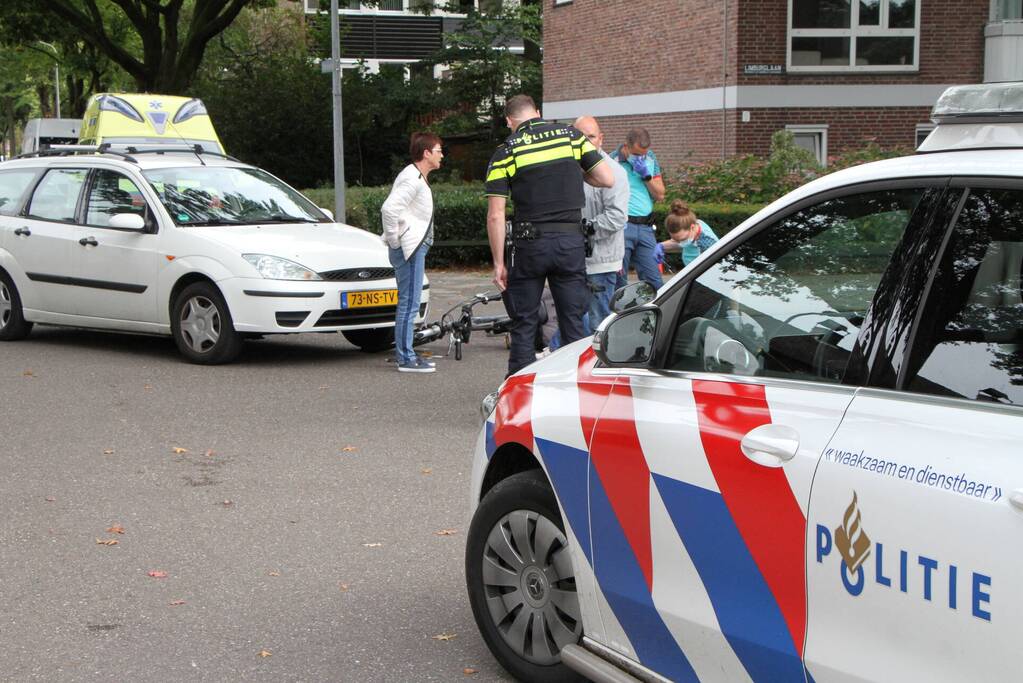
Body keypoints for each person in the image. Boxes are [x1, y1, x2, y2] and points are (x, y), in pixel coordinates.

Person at [485, 94, 614, 377]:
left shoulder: (506, 151)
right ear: (538, 112)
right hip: (570, 243)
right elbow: (607, 178)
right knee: (573, 322)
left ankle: (519, 391)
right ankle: (576, 385)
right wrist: (573, 172)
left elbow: (495, 214)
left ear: (510, 121)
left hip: (530, 245)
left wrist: (499, 263)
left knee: (525, 321)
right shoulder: (570, 136)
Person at [380, 132, 444, 373]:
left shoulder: (415, 176)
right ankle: (405, 358)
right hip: (410, 250)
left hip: (413, 249)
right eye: (438, 150)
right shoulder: (412, 179)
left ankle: (406, 353)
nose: (441, 155)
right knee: (409, 303)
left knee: (409, 302)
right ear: (426, 153)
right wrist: (396, 241)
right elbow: (389, 209)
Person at [573, 116, 629, 334]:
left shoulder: (615, 173)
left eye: (592, 136)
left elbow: (617, 217)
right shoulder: (569, 170)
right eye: (581, 136)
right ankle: (560, 353)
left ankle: (596, 365)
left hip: (601, 263)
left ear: (601, 139)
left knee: (598, 324)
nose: (586, 141)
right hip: (573, 259)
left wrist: (581, 230)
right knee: (573, 316)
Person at [611, 127, 666, 293]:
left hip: (645, 228)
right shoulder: (612, 161)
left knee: (655, 282)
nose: (641, 157)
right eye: (637, 154)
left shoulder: (650, 158)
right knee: (619, 283)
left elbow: (660, 195)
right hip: (623, 228)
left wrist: (646, 175)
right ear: (626, 146)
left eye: (644, 153)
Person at [656, 199, 719, 267]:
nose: (679, 242)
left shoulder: (708, 244)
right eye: (675, 239)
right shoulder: (693, 224)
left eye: (682, 239)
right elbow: (680, 244)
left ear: (692, 227)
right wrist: (661, 246)